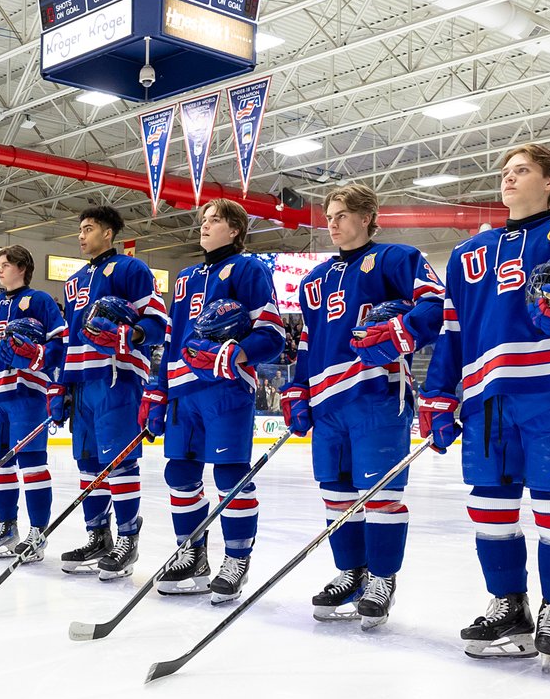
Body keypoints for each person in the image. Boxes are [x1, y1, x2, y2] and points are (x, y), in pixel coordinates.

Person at [421, 143, 550, 663]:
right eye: (505, 172)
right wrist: (439, 394)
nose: (508, 179)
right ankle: (508, 603)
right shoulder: (468, 254)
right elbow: (452, 331)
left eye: (522, 171)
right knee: (489, 506)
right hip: (486, 395)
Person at [281, 183, 443, 628]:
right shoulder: (314, 280)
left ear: (367, 216)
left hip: (377, 391)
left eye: (340, 215)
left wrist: (402, 332)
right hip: (327, 400)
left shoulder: (397, 258)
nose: (331, 224)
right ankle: (351, 571)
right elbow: (309, 342)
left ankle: (382, 578)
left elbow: (435, 307)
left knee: (381, 495)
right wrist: (297, 388)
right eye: (328, 216)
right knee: (335, 493)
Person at [137, 199, 286, 598]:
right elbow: (171, 342)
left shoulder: (249, 269)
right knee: (180, 475)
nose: (205, 226)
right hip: (183, 394)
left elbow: (272, 334)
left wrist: (236, 352)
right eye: (203, 220)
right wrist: (156, 391)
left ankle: (237, 557)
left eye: (215, 220)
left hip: (226, 389)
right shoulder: (184, 278)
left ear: (235, 229)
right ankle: (191, 554)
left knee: (229, 476)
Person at [58, 205, 168, 580]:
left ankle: (127, 538)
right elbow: (71, 337)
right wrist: (62, 383)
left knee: (119, 461)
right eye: (80, 229)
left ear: (109, 233)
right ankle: (97, 536)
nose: (81, 235)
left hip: (117, 377)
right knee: (88, 463)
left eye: (88, 228)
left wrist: (130, 335)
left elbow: (156, 323)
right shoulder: (73, 281)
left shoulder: (131, 269)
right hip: (83, 382)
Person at [0, 245, 67, 561]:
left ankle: (38, 533)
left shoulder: (39, 300)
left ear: (22, 267)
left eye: (5, 264)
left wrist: (40, 357)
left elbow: (59, 341)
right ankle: (7, 527)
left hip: (26, 393)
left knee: (32, 464)